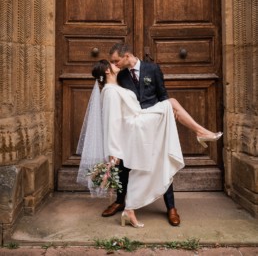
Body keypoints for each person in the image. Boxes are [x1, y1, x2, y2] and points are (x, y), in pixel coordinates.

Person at [77, 59, 222, 228]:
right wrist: (113, 151)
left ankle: (129, 209)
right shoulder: (109, 91)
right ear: (107, 71)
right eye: (112, 63)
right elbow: (111, 122)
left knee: (169, 110)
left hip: (140, 119)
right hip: (134, 126)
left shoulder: (118, 85)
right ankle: (200, 132)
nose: (116, 63)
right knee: (171, 104)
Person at [102, 43, 179, 226]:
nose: (114, 64)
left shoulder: (152, 69)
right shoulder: (120, 75)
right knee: (125, 165)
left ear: (127, 55)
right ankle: (121, 201)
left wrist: (168, 112)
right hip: (132, 126)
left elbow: (162, 95)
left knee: (161, 163)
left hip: (153, 124)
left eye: (116, 60)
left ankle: (171, 207)